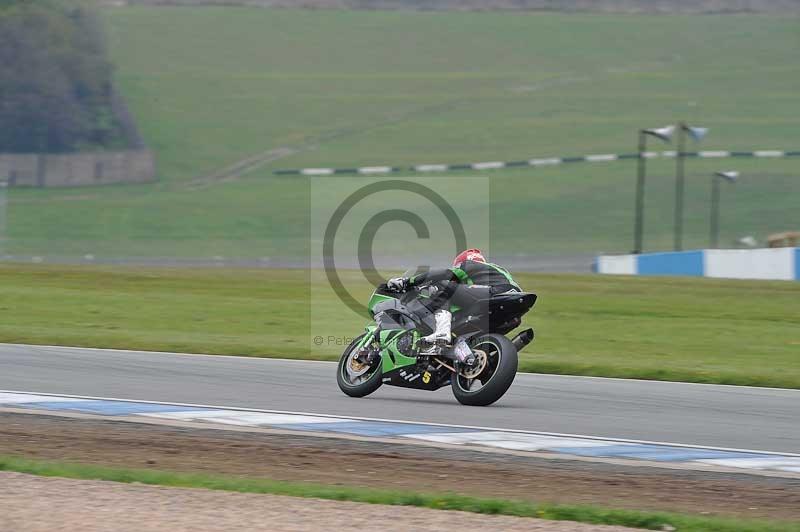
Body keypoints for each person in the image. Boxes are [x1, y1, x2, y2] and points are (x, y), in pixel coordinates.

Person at [386, 249, 521, 360]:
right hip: (513, 305)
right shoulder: (492, 270)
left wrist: (409, 282)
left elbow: (444, 274)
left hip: (497, 294)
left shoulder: (468, 264)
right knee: (469, 336)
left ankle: (442, 332)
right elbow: (466, 295)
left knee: (443, 286)